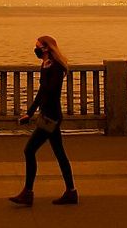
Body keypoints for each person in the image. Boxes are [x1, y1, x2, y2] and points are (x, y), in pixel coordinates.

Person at [8, 35, 78, 206]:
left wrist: (46, 72)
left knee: (29, 150)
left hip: (51, 117)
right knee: (60, 154)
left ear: (46, 48)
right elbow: (41, 93)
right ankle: (71, 192)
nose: (36, 49)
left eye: (38, 46)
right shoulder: (46, 65)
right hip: (47, 115)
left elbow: (50, 90)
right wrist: (30, 113)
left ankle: (28, 193)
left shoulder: (56, 67)